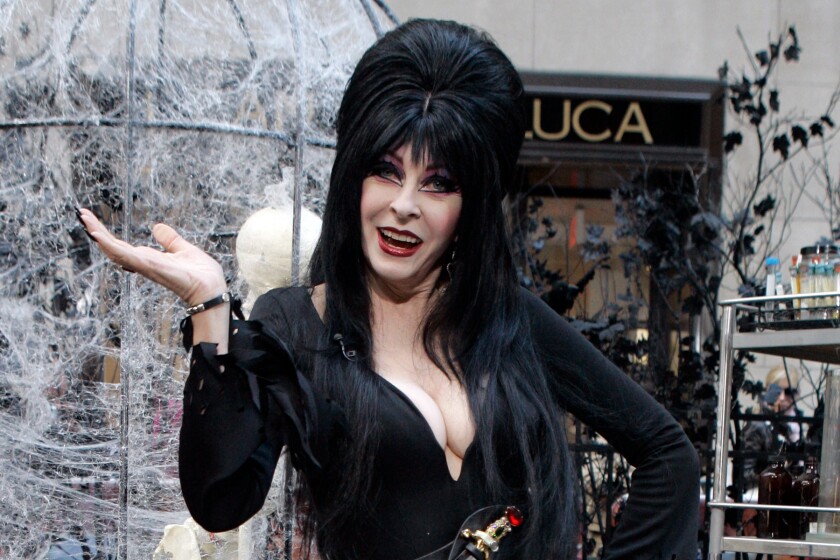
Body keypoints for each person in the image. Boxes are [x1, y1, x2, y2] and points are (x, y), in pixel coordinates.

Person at [78, 19, 699, 560]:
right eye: (386, 171)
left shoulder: (510, 321)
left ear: (471, 207)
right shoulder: (298, 325)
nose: (403, 207)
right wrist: (211, 310)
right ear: (354, 177)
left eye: (437, 183)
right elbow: (221, 500)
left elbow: (670, 456)